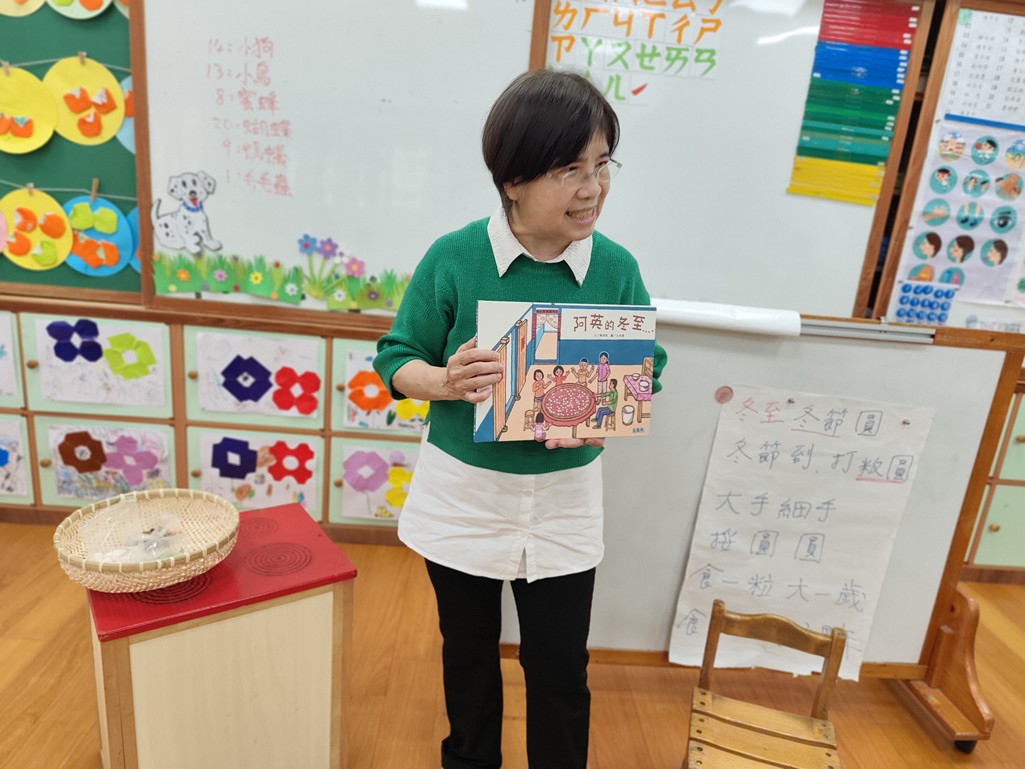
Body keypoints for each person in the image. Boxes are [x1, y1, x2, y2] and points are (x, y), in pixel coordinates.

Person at [373, 69, 667, 769]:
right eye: (570, 170)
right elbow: (396, 357)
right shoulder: (454, 257)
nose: (593, 188)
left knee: (559, 664)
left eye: (602, 165)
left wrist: (609, 407)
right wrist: (445, 381)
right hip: (464, 495)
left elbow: (646, 365)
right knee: (468, 652)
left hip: (564, 500)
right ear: (512, 180)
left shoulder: (615, 268)